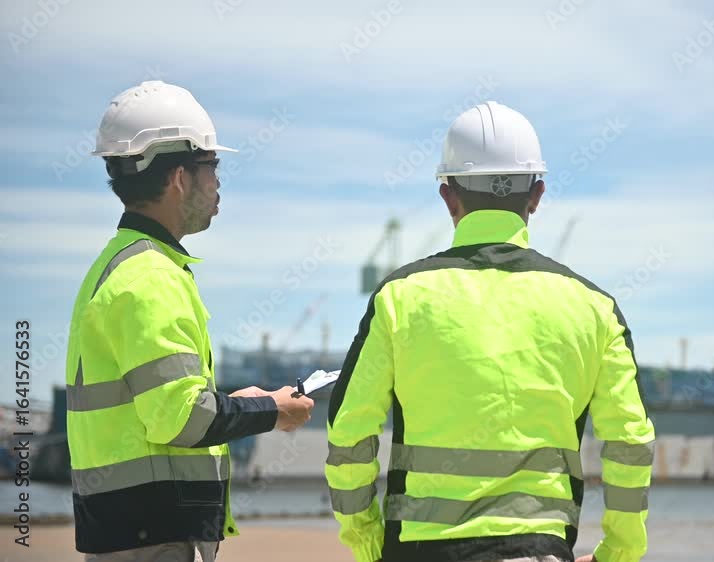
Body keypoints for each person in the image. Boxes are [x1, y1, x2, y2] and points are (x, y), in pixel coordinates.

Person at [325, 101, 655, 562]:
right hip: (539, 548)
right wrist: (618, 552)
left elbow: (349, 431)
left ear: (448, 196)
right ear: (536, 195)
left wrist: (365, 540)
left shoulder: (400, 298)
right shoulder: (595, 309)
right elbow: (629, 442)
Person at [65, 80, 314, 561]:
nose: (217, 182)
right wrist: (272, 410)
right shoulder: (152, 277)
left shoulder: (118, 266)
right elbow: (181, 419)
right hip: (154, 534)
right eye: (212, 166)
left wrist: (243, 403)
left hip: (130, 530)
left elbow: (165, 405)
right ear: (180, 178)